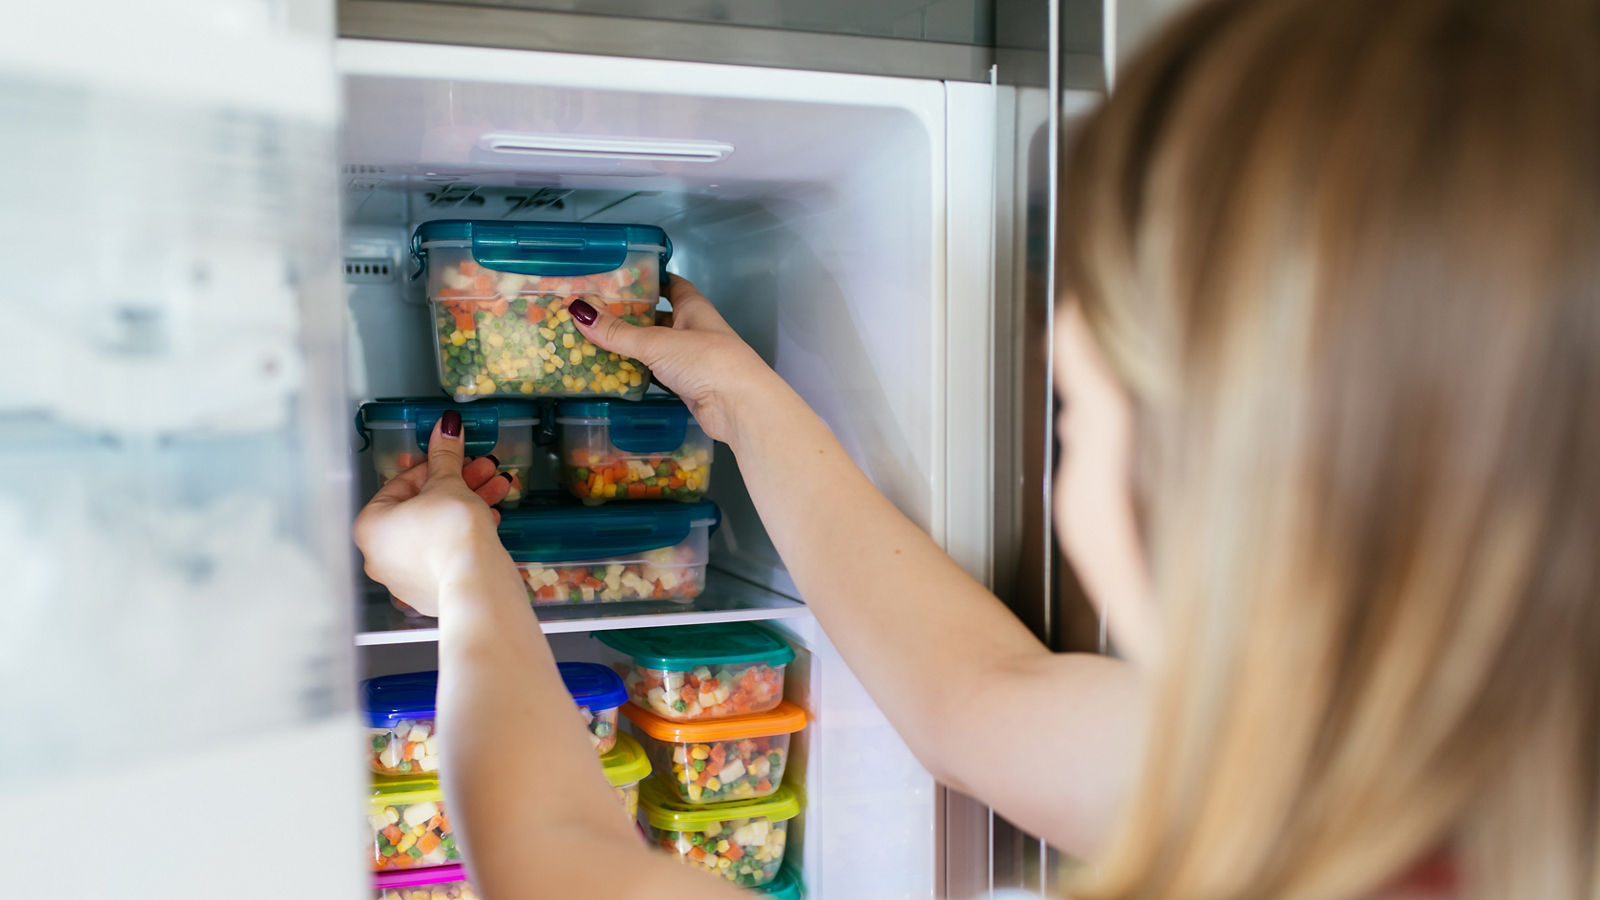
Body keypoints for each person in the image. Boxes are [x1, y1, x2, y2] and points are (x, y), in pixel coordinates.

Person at [352, 0, 1600, 896]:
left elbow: (561, 869)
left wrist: (469, 575)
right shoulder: (1384, 789)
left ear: (1221, 484)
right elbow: (978, 701)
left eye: (1073, 414)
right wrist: (740, 397)